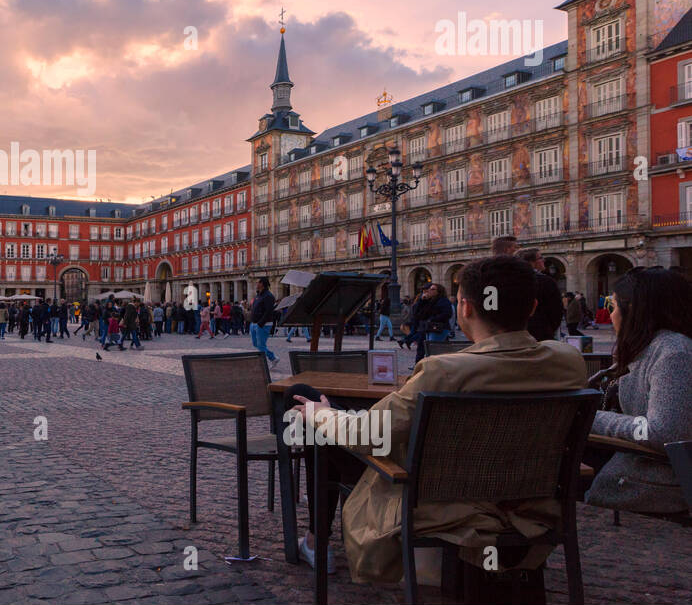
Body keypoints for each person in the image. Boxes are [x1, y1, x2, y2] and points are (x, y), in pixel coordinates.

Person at [287, 255, 587, 582]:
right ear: (531, 308)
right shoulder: (568, 362)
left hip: (439, 499)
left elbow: (367, 434)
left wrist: (323, 414)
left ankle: (317, 541)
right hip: (526, 502)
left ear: (465, 308)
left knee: (319, 424)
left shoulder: (445, 371)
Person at [585, 267, 692, 514]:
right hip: (632, 471)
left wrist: (591, 418)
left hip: (654, 485)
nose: (610, 315)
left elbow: (664, 431)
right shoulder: (650, 348)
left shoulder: (674, 353)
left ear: (634, 310)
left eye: (613, 306)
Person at [518, 246, 564, 342]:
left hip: (516, 333)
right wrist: (548, 329)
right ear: (531, 262)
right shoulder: (545, 281)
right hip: (541, 333)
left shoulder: (509, 281)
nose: (544, 260)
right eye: (540, 258)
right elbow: (556, 311)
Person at [249, 277, 278, 368]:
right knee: (256, 344)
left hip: (263, 324)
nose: (256, 284)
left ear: (262, 284)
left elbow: (269, 311)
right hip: (254, 323)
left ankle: (264, 364)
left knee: (261, 346)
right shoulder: (258, 295)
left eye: (257, 282)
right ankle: (273, 357)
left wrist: (260, 323)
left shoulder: (268, 296)